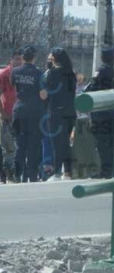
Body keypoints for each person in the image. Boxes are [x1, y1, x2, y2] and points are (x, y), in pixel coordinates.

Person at [11, 45, 47, 183]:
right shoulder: (39, 73)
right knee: (33, 145)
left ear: (23, 58)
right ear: (34, 58)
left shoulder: (15, 71)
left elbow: (14, 86)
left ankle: (16, 174)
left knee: (20, 145)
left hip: (19, 110)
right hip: (35, 112)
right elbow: (43, 95)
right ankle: (31, 175)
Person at [43, 48, 77, 180]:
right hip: (70, 111)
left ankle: (57, 172)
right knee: (66, 143)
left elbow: (45, 93)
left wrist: (48, 68)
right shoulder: (71, 74)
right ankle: (67, 172)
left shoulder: (51, 73)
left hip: (55, 111)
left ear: (55, 59)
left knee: (56, 143)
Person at [0, 49, 24, 183]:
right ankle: (6, 175)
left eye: (21, 59)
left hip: (21, 116)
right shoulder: (3, 75)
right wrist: (3, 113)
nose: (19, 61)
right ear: (11, 60)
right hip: (8, 117)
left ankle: (17, 174)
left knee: (20, 146)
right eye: (16, 59)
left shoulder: (24, 74)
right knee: (7, 148)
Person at [87, 47, 114, 179]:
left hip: (102, 113)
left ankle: (106, 171)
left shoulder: (102, 70)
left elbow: (91, 88)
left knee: (102, 144)